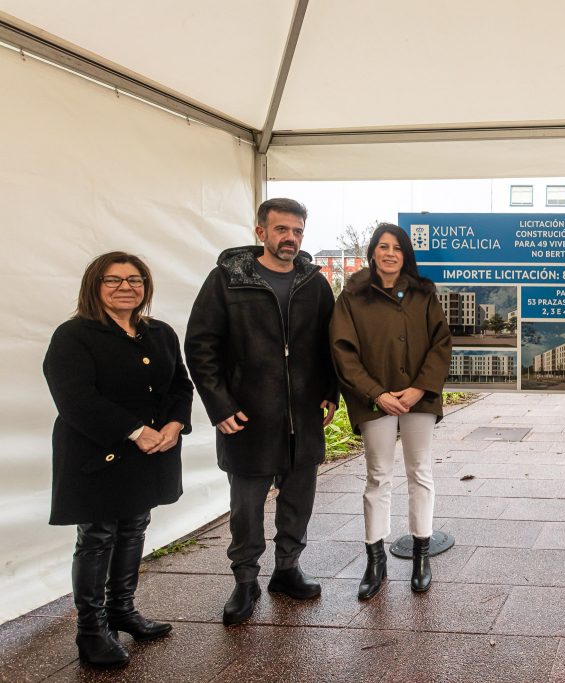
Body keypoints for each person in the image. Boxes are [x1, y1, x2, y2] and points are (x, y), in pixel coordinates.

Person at [185, 198, 338, 625]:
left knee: (298, 502)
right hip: (248, 418)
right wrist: (220, 405)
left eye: (297, 231)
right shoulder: (227, 280)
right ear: (261, 232)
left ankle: (287, 570)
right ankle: (245, 581)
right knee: (246, 509)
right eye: (281, 229)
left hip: (303, 416)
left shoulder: (314, 283)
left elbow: (331, 344)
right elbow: (200, 346)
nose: (290, 238)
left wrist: (330, 392)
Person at [43, 252, 193, 668]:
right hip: (98, 452)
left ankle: (121, 610)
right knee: (97, 536)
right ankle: (91, 630)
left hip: (152, 450)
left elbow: (180, 385)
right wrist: (135, 431)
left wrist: (175, 424)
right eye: (113, 280)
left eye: (135, 280)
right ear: (95, 286)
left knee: (134, 526)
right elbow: (75, 398)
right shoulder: (74, 335)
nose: (126, 287)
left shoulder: (159, 333)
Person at [331, 223, 452, 600]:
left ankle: (421, 555)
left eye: (397, 248)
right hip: (374, 401)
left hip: (419, 398)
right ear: (372, 252)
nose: (390, 253)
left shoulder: (423, 293)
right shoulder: (352, 296)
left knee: (420, 472)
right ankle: (375, 560)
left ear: (405, 255)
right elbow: (342, 351)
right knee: (378, 476)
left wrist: (418, 389)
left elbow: (441, 343)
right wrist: (377, 393)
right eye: (383, 246)